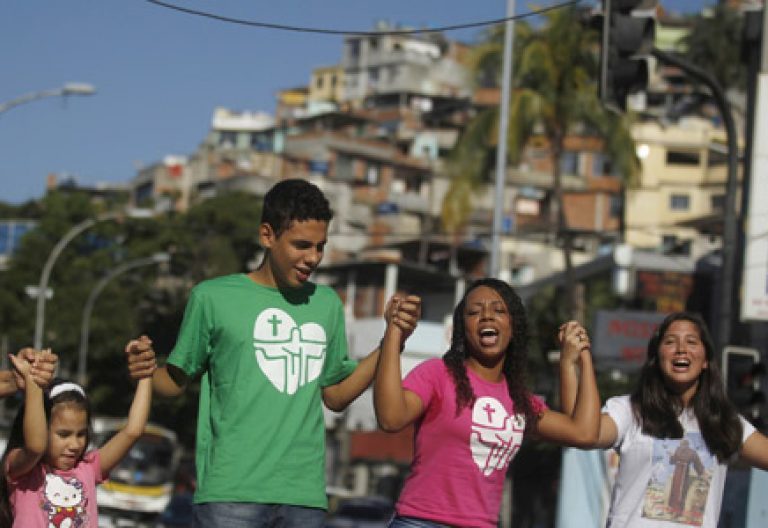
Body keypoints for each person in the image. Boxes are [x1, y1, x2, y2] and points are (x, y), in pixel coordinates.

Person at [128, 178, 421, 528]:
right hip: (230, 493)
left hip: (304, 497)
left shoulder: (326, 304)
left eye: (320, 247)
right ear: (268, 235)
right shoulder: (212, 298)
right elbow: (173, 381)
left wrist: (393, 338)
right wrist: (145, 370)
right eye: (301, 245)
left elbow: (337, 396)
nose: (312, 258)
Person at [374, 277, 600, 528]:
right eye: (474, 312)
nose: (487, 317)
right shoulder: (437, 374)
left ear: (514, 327)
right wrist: (394, 334)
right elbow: (390, 418)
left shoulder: (519, 401)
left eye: (499, 310)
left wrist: (580, 358)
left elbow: (584, 433)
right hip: (422, 522)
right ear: (462, 328)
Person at [579, 311, 768, 527]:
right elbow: (587, 434)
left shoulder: (723, 421)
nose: (681, 349)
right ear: (657, 356)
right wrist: (579, 362)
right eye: (670, 342)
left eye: (691, 342)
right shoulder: (629, 411)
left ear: (706, 360)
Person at [0, 336, 155, 527]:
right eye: (63, 434)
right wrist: (34, 384)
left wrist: (145, 373)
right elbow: (35, 446)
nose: (74, 445)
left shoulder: (89, 468)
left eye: (81, 434)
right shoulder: (22, 470)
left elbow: (133, 430)